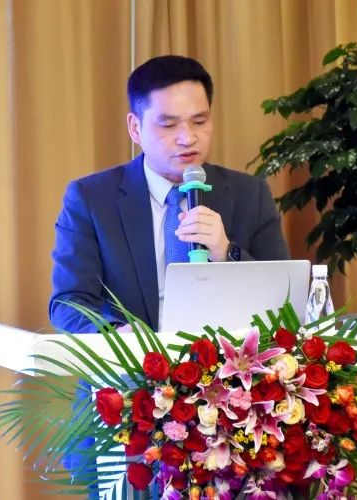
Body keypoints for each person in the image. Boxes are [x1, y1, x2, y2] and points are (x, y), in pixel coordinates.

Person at [49, 55, 289, 333]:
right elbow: (68, 303)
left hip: (229, 359)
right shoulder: (91, 199)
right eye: (168, 125)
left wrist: (227, 253)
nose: (188, 138)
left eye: (199, 121)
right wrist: (118, 335)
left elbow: (283, 298)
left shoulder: (250, 194)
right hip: (134, 358)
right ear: (135, 128)